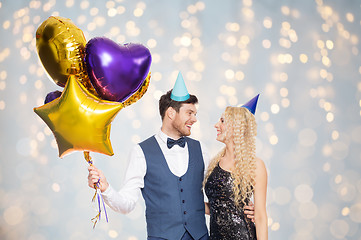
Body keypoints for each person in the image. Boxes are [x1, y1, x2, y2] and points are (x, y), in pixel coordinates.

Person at [88, 72, 254, 239]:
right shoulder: (140, 152)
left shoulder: (200, 149)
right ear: (171, 113)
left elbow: (217, 195)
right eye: (189, 113)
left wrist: (244, 210)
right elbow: (127, 204)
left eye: (195, 114)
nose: (194, 119)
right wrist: (106, 188)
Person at [204, 94, 268, 240]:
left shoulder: (255, 165)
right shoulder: (215, 162)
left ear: (236, 127)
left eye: (222, 121)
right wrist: (187, 205)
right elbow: (216, 206)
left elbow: (260, 216)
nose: (216, 125)